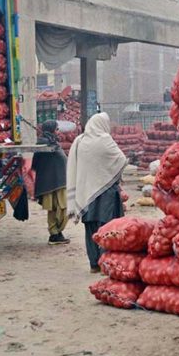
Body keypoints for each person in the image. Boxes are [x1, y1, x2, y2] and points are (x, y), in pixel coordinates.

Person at [67, 112, 128, 273]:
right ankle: (104, 262)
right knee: (107, 229)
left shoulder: (79, 141)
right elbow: (121, 160)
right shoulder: (105, 140)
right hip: (106, 193)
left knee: (91, 229)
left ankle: (94, 264)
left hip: (86, 194)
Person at [31, 120, 69, 245]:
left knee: (58, 208)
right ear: (51, 130)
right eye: (56, 129)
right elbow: (36, 164)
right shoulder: (43, 143)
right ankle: (55, 233)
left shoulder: (52, 142)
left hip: (59, 181)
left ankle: (56, 233)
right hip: (52, 182)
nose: (58, 131)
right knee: (60, 208)